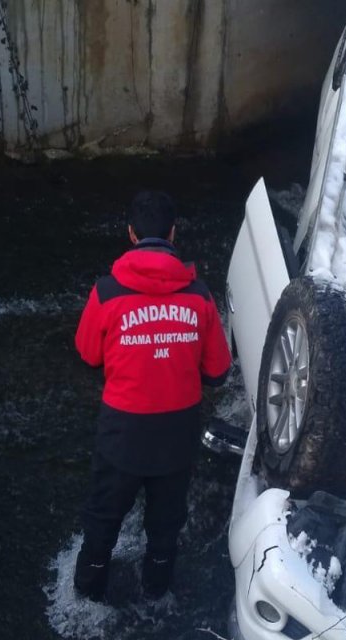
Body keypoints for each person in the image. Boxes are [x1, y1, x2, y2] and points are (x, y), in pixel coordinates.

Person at [72, 190, 231, 601]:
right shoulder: (199, 296)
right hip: (176, 435)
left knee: (103, 522)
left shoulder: (106, 292)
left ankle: (86, 599)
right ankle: (157, 597)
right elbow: (218, 372)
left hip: (122, 433)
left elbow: (87, 354)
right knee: (165, 528)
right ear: (173, 234)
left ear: (130, 234)